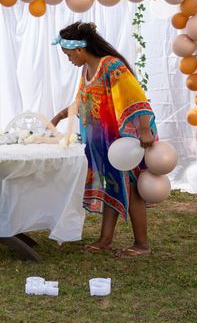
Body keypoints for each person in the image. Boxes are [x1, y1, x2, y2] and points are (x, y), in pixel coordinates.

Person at [50, 21, 156, 258]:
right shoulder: (86, 70)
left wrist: (144, 129)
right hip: (104, 141)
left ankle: (142, 244)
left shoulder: (112, 66)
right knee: (112, 186)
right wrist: (58, 116)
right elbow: (83, 101)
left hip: (125, 140)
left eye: (68, 55)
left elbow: (134, 97)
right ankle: (105, 240)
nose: (69, 60)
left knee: (133, 189)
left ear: (79, 49)